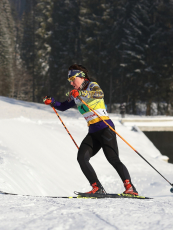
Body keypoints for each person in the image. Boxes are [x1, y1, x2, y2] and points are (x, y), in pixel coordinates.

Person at [43, 64, 138, 195]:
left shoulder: (92, 86)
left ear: (81, 77)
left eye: (72, 79)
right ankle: (97, 188)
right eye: (69, 81)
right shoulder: (75, 94)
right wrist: (52, 102)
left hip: (105, 128)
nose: (71, 83)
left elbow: (99, 94)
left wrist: (81, 93)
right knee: (82, 158)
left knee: (113, 159)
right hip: (93, 132)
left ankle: (130, 188)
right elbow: (63, 106)